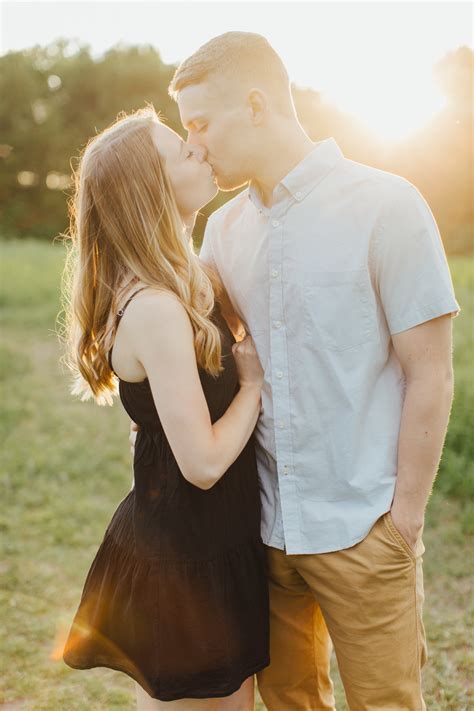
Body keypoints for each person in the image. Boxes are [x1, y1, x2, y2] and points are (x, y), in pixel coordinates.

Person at [150, 31, 460, 710]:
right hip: (263, 534)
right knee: (290, 701)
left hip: (365, 526)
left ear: (256, 104)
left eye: (200, 123)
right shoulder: (225, 230)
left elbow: (431, 375)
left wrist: (403, 517)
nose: (195, 145)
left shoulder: (389, 205)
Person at [61, 106, 270, 710]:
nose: (200, 151)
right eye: (183, 150)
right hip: (187, 557)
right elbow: (201, 463)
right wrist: (253, 386)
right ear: (151, 190)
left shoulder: (182, 278)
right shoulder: (153, 306)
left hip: (210, 540)